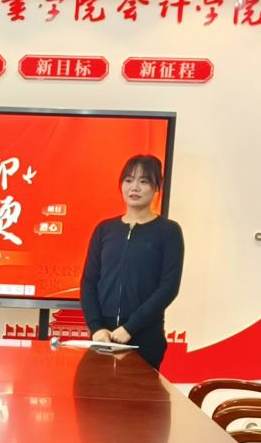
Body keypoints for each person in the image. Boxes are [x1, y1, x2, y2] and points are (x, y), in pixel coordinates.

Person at [79, 154, 186, 370]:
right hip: (103, 337)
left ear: (156, 187)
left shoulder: (168, 231)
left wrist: (130, 327)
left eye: (143, 181)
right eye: (128, 180)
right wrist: (96, 327)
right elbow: (89, 282)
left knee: (139, 393)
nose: (134, 187)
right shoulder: (104, 230)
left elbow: (168, 287)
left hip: (145, 337)